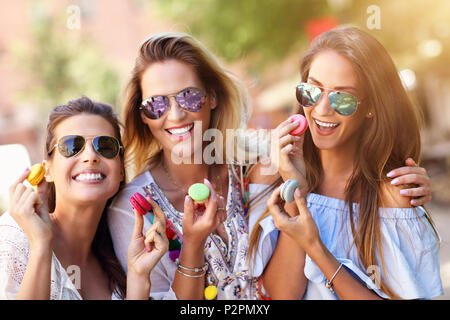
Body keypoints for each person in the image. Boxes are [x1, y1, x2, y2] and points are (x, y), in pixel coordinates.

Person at [107, 32, 434, 300]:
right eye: (156, 104)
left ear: (213, 97)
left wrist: (407, 183)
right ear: (141, 114)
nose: (175, 115)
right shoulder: (134, 210)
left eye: (190, 97)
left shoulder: (260, 168)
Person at [251, 27, 443, 300]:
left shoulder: (391, 194)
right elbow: (282, 295)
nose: (321, 109)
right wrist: (296, 193)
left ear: (371, 106)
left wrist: (317, 248)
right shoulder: (275, 174)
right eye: (312, 90)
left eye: (342, 97)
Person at [0, 97, 168, 300]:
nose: (91, 156)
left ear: (121, 171)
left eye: (105, 146)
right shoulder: (14, 236)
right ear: (48, 170)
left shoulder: (120, 251)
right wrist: (40, 244)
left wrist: (139, 279)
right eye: (72, 145)